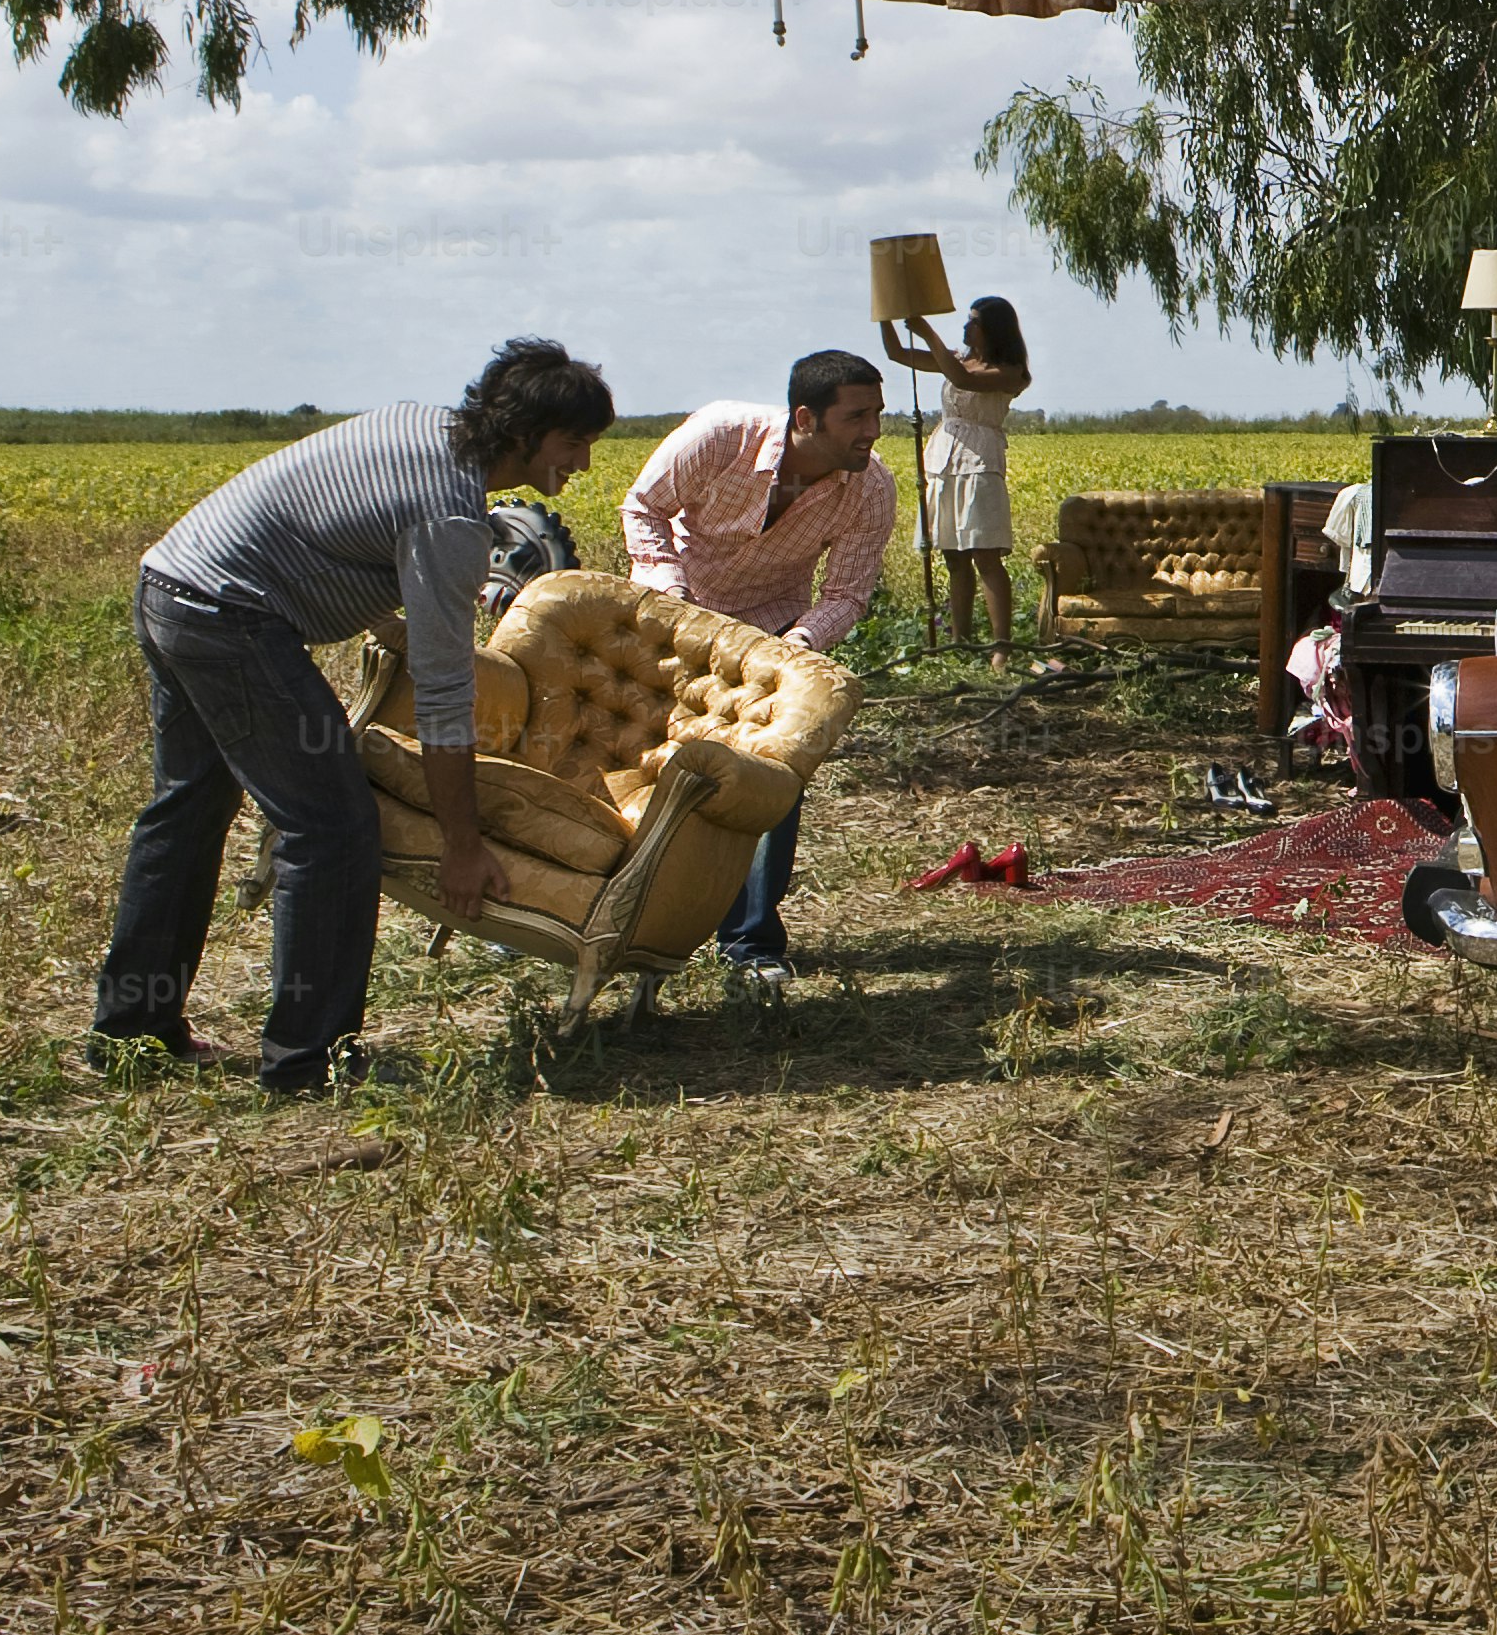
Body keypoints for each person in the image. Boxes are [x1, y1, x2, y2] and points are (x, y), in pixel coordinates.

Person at [92, 340, 617, 1093]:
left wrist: (403, 623)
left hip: (171, 582)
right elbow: (443, 700)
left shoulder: (426, 425)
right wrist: (462, 846)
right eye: (574, 443)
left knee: (189, 808)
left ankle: (131, 1033)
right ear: (525, 432)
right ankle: (310, 1060)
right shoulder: (450, 516)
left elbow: (335, 530)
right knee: (333, 827)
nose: (583, 464)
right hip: (229, 618)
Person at [620, 352, 898, 992]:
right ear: (805, 418)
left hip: (772, 631)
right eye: (857, 417)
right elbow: (644, 508)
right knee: (638, 762)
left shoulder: (871, 488)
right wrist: (673, 599)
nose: (872, 431)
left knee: (770, 779)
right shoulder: (721, 435)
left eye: (877, 415)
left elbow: (847, 595)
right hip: (676, 617)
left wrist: (794, 647)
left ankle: (748, 944)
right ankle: (602, 915)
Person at [881, 294, 1033, 649]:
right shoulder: (957, 360)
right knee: (954, 556)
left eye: (974, 321)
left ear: (992, 329)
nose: (966, 327)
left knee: (986, 555)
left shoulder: (1009, 372)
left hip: (980, 463)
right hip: (945, 460)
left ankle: (1001, 646)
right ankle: (960, 640)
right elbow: (897, 353)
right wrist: (885, 312)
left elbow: (963, 380)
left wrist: (927, 333)